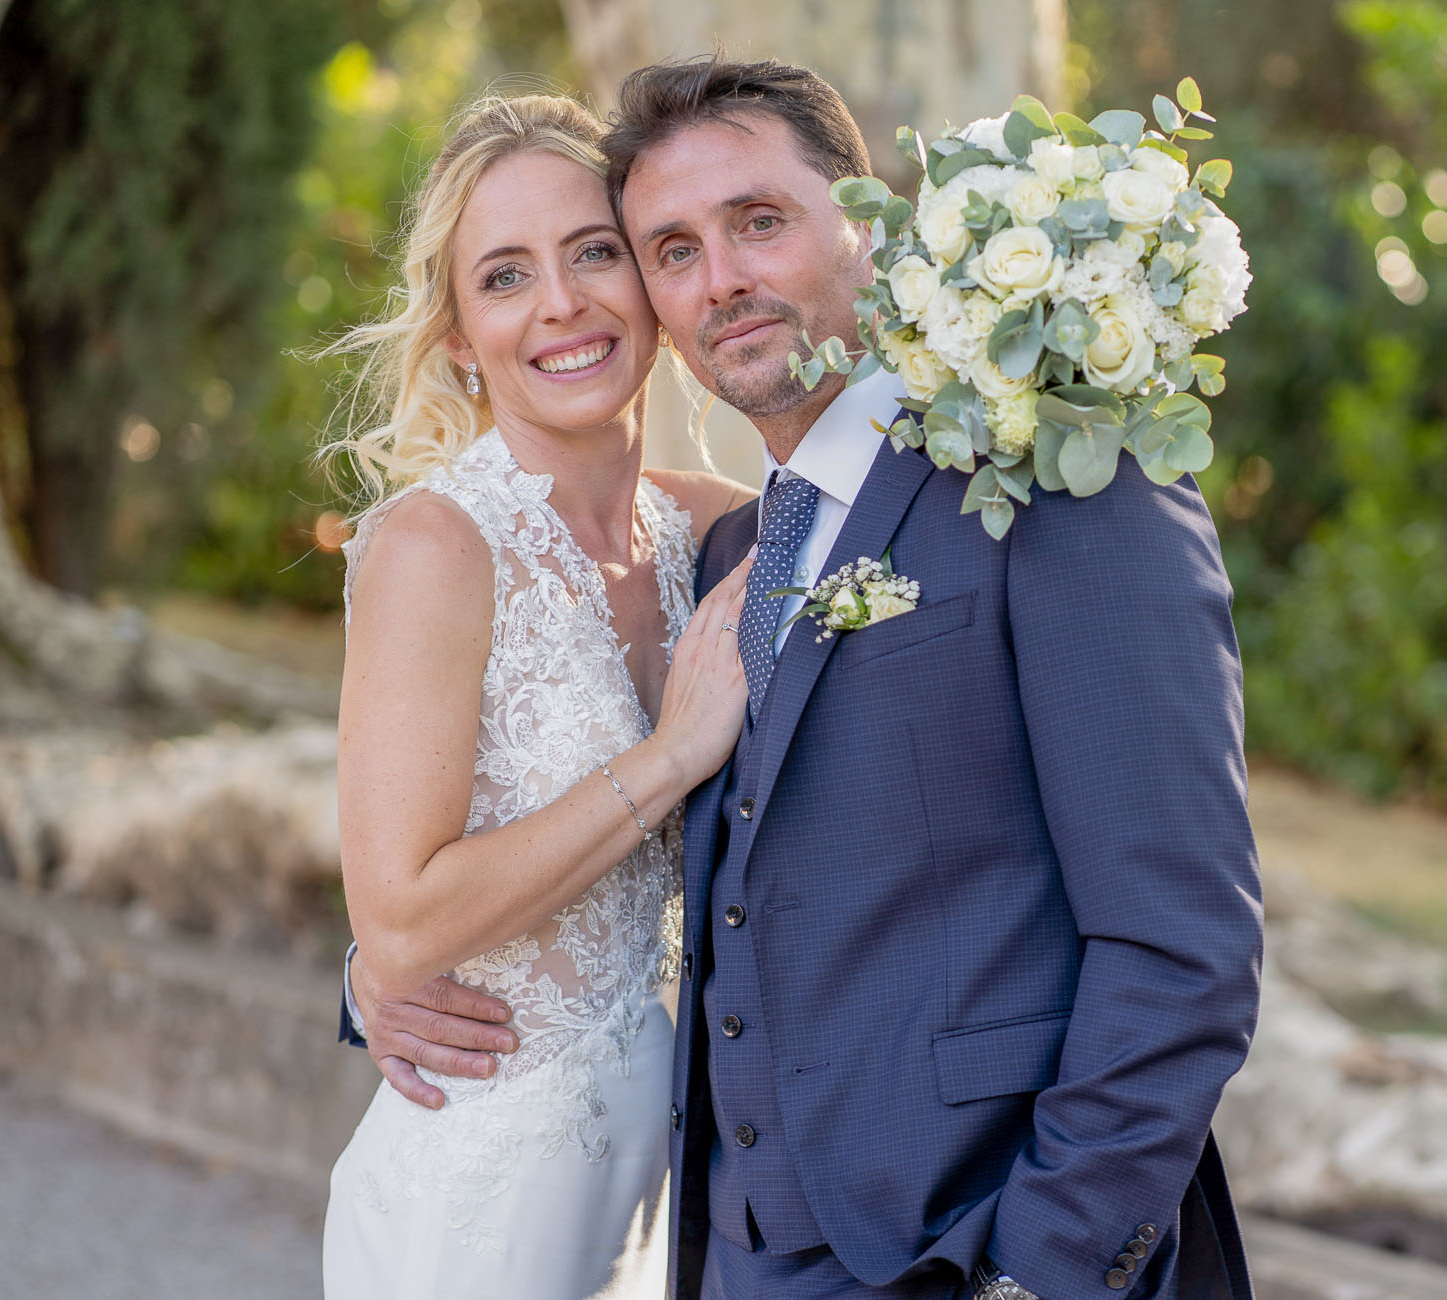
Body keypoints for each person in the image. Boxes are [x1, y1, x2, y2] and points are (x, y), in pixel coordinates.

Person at [352, 59, 1265, 1300]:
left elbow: (1180, 945)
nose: (719, 278)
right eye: (671, 247)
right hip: (715, 1250)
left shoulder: (1053, 476)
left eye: (759, 222)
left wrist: (1036, 1276)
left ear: (872, 224)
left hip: (975, 1250)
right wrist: (377, 974)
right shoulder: (736, 551)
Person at [320, 92, 757, 1299]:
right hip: (474, 1199)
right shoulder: (434, 547)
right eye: (505, 277)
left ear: (654, 286)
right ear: (459, 332)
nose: (561, 303)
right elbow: (400, 920)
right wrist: (669, 758)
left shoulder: (717, 533)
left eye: (593, 252)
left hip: (651, 1193)